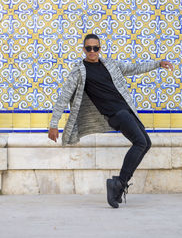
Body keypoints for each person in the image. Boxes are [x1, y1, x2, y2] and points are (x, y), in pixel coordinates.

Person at [48, 33, 173, 208]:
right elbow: (63, 97)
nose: (92, 51)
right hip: (116, 114)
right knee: (139, 142)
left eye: (96, 48)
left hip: (128, 111)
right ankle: (118, 184)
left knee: (146, 143)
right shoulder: (79, 72)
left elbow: (133, 68)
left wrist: (158, 64)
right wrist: (54, 124)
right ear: (84, 49)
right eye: (89, 48)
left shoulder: (110, 64)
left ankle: (118, 184)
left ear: (100, 48)